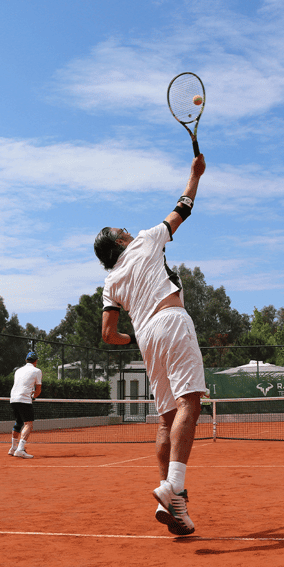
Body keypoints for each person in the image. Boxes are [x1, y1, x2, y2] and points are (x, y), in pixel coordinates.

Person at [94, 154, 207, 536]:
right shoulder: (145, 239)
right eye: (121, 229)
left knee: (164, 418)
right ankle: (173, 484)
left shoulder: (110, 283)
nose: (127, 230)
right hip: (172, 321)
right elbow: (182, 209)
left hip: (147, 340)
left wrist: (132, 339)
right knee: (190, 401)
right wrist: (194, 175)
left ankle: (178, 509)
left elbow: (108, 334)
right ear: (120, 240)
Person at [9, 351, 43, 458]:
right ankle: (20, 449)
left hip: (13, 398)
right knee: (29, 424)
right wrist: (33, 397)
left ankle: (13, 447)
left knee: (18, 422)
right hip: (24, 399)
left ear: (26, 360)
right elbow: (38, 390)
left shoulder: (18, 371)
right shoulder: (37, 371)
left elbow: (20, 385)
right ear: (36, 361)